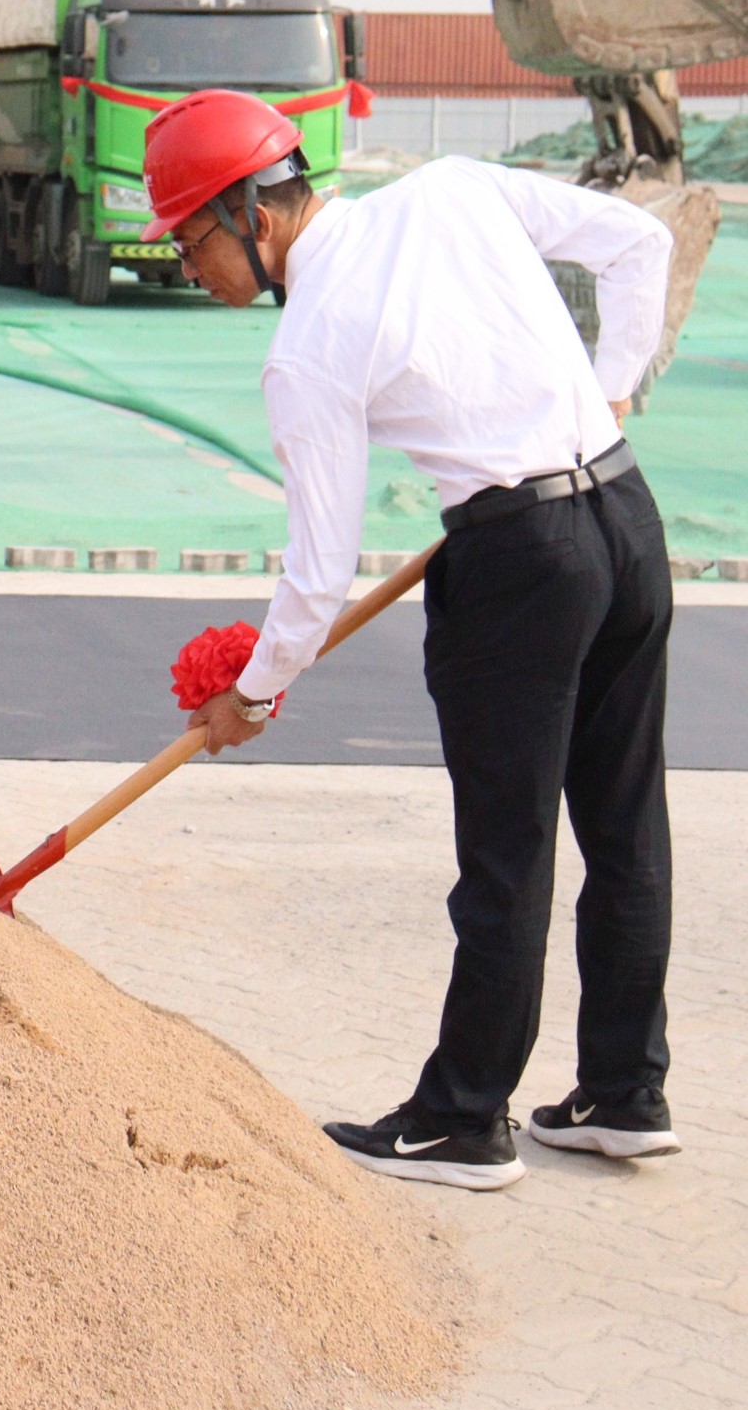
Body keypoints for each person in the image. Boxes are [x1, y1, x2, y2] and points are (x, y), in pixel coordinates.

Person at [155, 90, 681, 1191]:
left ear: (255, 214)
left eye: (191, 241)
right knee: (626, 822)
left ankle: (463, 1118)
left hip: (521, 563)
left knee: (507, 853)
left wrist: (254, 691)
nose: (188, 269)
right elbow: (642, 242)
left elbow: (319, 570)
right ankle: (625, 1091)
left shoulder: (308, 347)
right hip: (626, 517)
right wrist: (608, 393)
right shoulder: (454, 190)